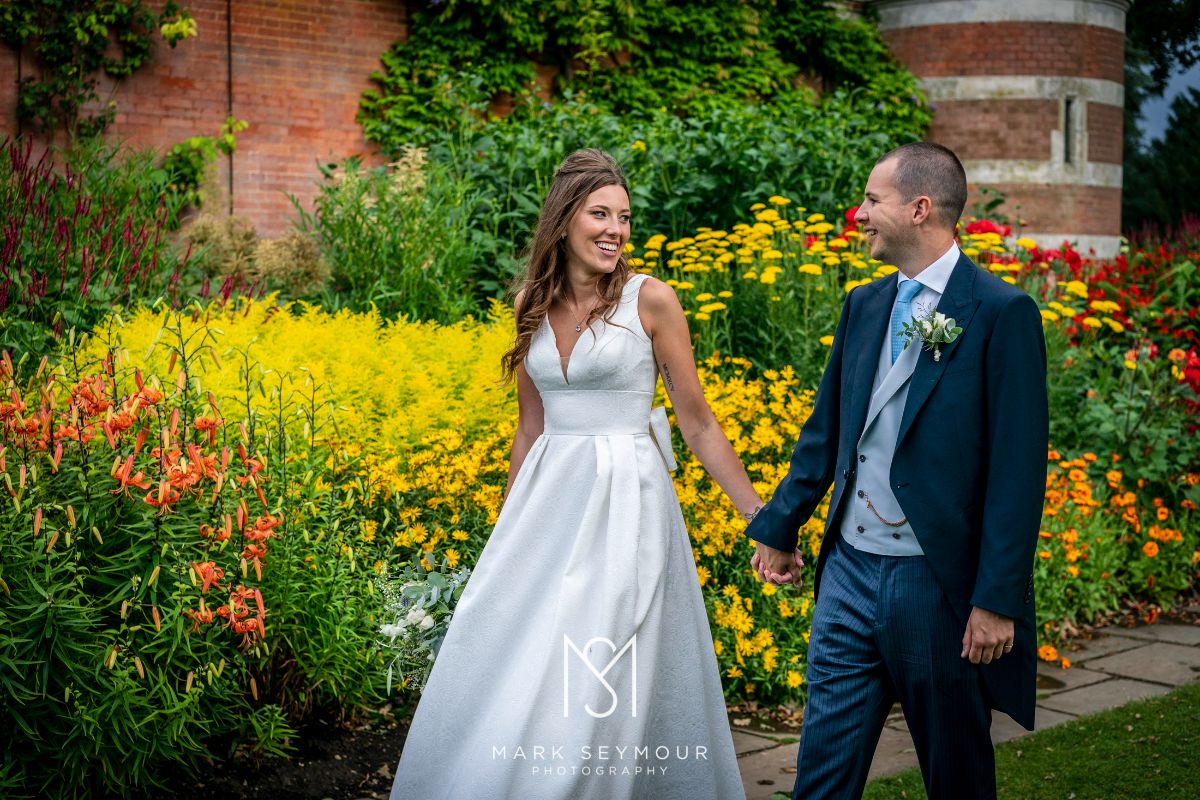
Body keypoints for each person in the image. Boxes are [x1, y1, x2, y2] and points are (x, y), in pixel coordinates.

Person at [391, 148, 793, 799]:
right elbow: (531, 428)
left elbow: (698, 424)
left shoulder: (651, 301)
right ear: (564, 220)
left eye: (625, 217)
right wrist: (507, 536)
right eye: (600, 213)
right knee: (533, 652)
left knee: (606, 656)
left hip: (627, 504)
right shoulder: (529, 303)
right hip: (548, 509)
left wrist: (762, 520)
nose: (615, 229)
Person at [744, 142, 1048, 800]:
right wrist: (780, 524)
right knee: (820, 773)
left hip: (936, 587)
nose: (858, 215)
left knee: (955, 774)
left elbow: (1017, 475)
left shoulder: (1001, 314)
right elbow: (826, 432)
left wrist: (995, 602)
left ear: (919, 208)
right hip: (849, 574)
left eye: (871, 201)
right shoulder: (864, 305)